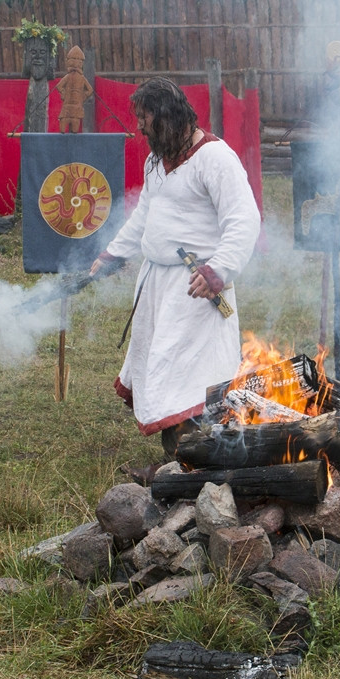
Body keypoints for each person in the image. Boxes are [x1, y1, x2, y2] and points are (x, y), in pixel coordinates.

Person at [90, 77, 261, 464]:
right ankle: (182, 453)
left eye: (146, 118)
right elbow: (146, 216)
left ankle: (198, 456)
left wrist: (218, 270)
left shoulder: (216, 158)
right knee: (160, 362)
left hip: (195, 287)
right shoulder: (157, 160)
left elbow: (244, 220)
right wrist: (113, 254)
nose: (140, 127)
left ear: (167, 118)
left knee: (185, 370)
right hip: (155, 285)